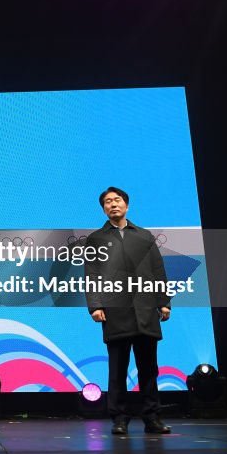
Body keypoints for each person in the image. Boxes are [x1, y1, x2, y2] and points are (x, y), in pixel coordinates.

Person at [84, 186, 171, 435]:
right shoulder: (96, 239)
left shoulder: (144, 236)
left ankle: (152, 418)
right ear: (103, 209)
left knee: (149, 370)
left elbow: (158, 270)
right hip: (115, 312)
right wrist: (95, 305)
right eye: (108, 202)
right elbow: (92, 275)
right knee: (117, 371)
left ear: (127, 205)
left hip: (145, 310)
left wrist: (163, 301)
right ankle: (119, 419)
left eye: (117, 200)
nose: (113, 204)